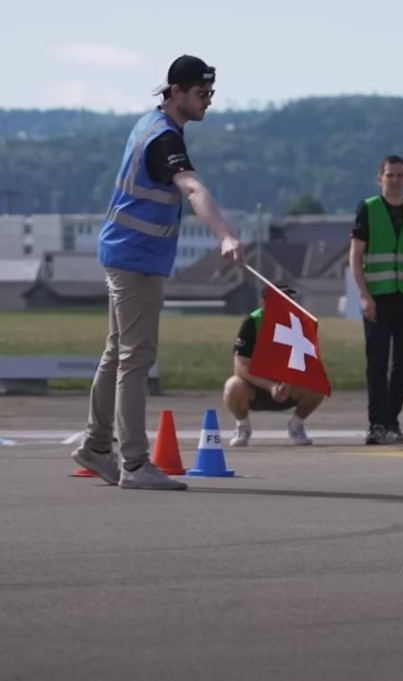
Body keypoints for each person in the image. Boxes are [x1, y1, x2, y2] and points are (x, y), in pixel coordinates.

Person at [69, 54, 243, 491]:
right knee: (136, 358)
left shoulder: (149, 123)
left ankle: (95, 447)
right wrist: (224, 233)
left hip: (126, 253)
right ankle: (133, 462)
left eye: (211, 93)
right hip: (135, 259)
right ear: (177, 91)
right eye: (202, 94)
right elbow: (192, 186)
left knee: (118, 352)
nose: (208, 102)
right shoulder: (164, 140)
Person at [349, 155, 403, 445]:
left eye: (400, 175)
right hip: (379, 298)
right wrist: (364, 295)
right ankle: (376, 425)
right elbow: (355, 256)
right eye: (390, 175)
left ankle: (392, 422)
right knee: (377, 362)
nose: (395, 180)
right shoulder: (368, 209)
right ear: (380, 179)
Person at [224, 285, 326, 447]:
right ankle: (242, 425)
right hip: (256, 387)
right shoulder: (252, 322)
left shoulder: (301, 323)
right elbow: (241, 365)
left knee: (317, 383)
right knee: (233, 386)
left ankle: (296, 424)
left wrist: (288, 382)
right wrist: (270, 386)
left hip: (289, 387)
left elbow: (308, 362)